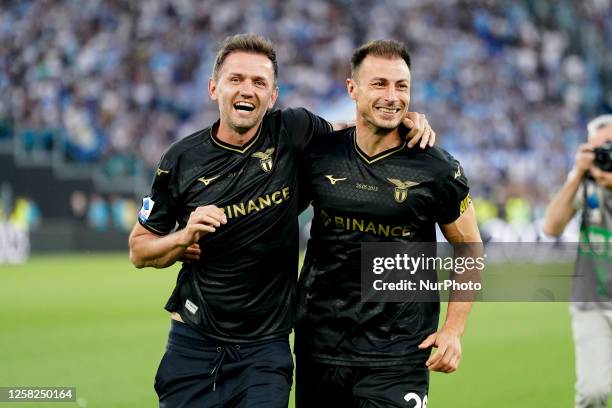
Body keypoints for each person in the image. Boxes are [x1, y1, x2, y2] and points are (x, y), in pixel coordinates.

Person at [128, 34, 434, 408]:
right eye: (236, 79)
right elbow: (140, 250)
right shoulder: (181, 160)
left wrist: (403, 120)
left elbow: (357, 131)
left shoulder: (294, 130)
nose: (248, 90)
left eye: (259, 82)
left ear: (273, 96)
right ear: (214, 88)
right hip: (194, 340)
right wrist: (181, 239)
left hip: (266, 348)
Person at [294, 40, 482, 407]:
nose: (392, 96)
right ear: (352, 88)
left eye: (402, 86)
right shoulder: (320, 155)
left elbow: (470, 245)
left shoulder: (437, 168)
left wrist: (454, 330)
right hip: (321, 347)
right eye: (379, 84)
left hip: (400, 352)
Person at [543, 114, 612, 408]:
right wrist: (577, 175)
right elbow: (551, 227)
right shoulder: (584, 183)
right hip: (592, 301)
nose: (604, 154)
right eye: (597, 148)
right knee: (593, 392)